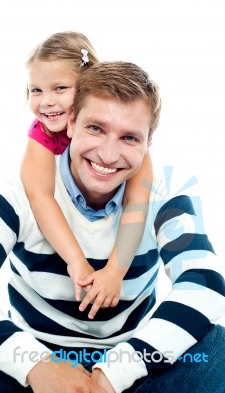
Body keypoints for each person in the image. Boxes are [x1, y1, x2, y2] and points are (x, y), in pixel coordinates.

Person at [0, 61, 224, 393]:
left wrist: (112, 376)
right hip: (32, 365)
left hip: (130, 366)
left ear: (148, 143)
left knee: (218, 349)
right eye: (96, 128)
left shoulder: (165, 197)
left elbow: (207, 285)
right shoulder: (19, 193)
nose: (109, 154)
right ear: (70, 122)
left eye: (129, 137)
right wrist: (35, 366)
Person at [20, 31, 153, 319]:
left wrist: (115, 271)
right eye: (36, 90)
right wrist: (76, 261)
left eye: (60, 88)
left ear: (86, 88)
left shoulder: (132, 143)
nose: (46, 102)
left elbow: (137, 204)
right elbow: (39, 195)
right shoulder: (40, 134)